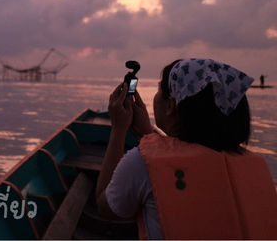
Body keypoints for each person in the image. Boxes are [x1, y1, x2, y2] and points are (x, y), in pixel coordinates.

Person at [96, 58, 277, 239]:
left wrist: (118, 130)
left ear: (170, 106)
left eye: (159, 90)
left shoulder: (141, 164)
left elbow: (106, 207)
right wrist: (147, 133)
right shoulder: (254, 164)